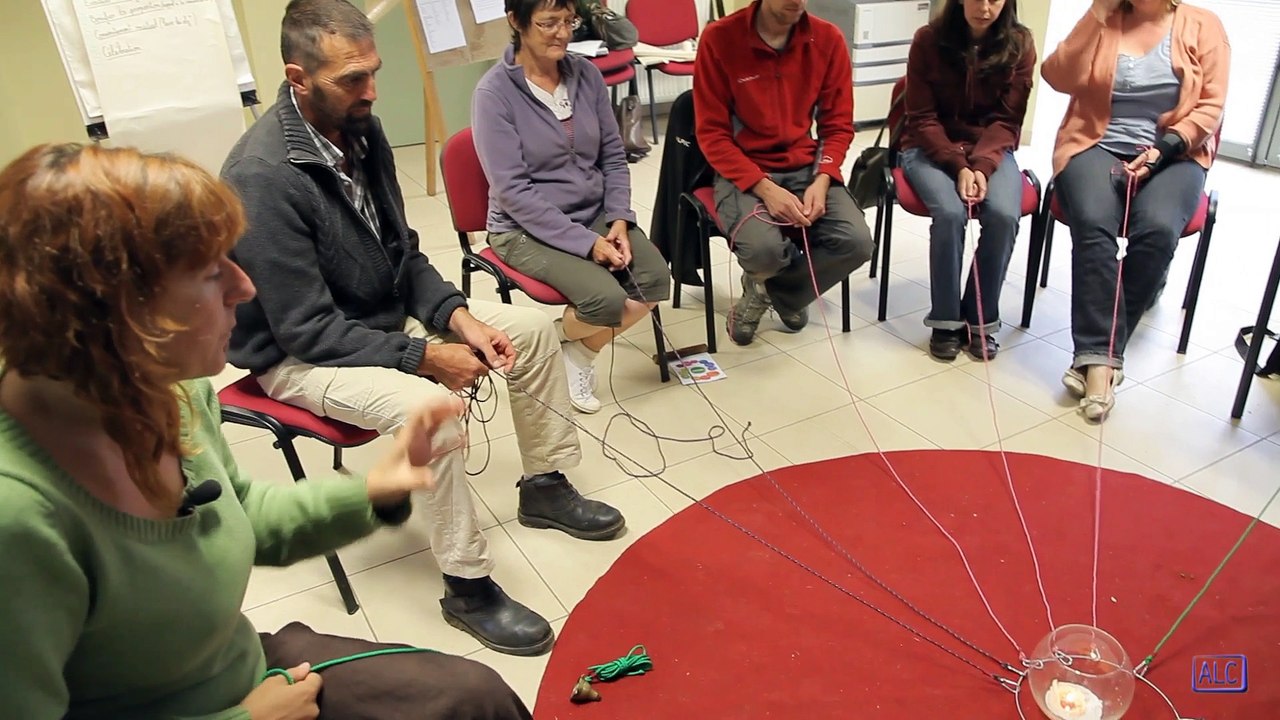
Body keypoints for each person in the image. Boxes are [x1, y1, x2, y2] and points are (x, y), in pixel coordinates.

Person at [0, 143, 531, 719]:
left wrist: (377, 490)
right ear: (117, 310)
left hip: (229, 668)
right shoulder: (18, 519)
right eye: (209, 272)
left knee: (476, 700)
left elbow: (243, 513)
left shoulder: (171, 392)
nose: (244, 288)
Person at [221, 0, 624, 657]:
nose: (372, 93)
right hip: (297, 356)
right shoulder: (261, 178)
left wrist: (456, 317)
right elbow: (306, 330)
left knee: (534, 331)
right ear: (297, 78)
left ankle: (546, 485)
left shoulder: (360, 128)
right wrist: (428, 359)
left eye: (374, 73)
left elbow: (403, 255)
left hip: (376, 314)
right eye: (353, 80)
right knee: (434, 409)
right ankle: (467, 587)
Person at [472, 0, 672, 414]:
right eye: (548, 23)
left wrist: (618, 217)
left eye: (569, 21)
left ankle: (576, 354)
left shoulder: (587, 76)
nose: (562, 33)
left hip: (593, 213)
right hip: (521, 228)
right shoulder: (494, 94)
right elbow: (514, 192)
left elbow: (613, 157)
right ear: (516, 22)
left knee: (654, 280)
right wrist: (588, 244)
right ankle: (548, 342)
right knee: (605, 301)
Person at [1042, 0, 1228, 421]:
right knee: (1093, 224)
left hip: (1175, 153)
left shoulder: (1203, 25)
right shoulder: (1104, 19)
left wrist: (1163, 150)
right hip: (1095, 144)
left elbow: (1211, 107)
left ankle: (1094, 358)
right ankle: (1101, 366)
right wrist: (1097, 13)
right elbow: (1056, 76)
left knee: (1159, 229)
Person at [693, 0, 874, 346]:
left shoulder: (827, 39)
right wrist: (765, 188)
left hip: (807, 166)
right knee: (763, 252)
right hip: (744, 170)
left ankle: (767, 292)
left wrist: (824, 178)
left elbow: (837, 125)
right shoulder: (720, 39)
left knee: (857, 243)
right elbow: (712, 135)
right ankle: (784, 288)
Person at [900, 0, 1036, 361]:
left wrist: (981, 165)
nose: (985, 7)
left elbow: (1008, 121)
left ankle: (980, 319)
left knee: (1005, 215)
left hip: (990, 149)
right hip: (929, 146)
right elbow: (922, 117)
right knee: (949, 213)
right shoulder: (928, 40)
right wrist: (958, 164)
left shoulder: (1020, 43)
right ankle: (945, 321)